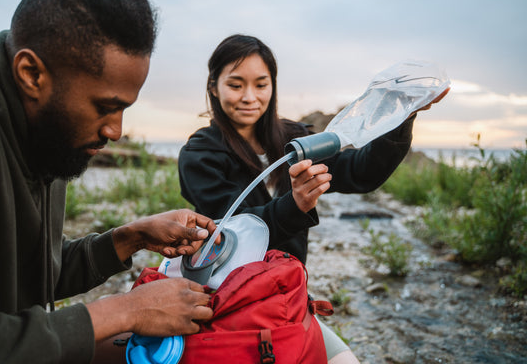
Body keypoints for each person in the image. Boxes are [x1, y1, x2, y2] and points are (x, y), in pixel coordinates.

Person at [0, 0, 218, 363]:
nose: (116, 130)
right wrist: (125, 309)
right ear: (31, 74)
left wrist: (129, 237)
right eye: (105, 107)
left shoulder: (44, 129)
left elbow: (26, 275)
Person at [178, 34, 448, 364]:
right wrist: (295, 204)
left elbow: (362, 172)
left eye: (261, 84)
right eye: (236, 85)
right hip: (224, 304)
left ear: (272, 86)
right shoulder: (200, 155)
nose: (250, 97)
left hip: (284, 298)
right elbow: (236, 231)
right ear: (213, 86)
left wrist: (400, 116)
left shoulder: (296, 140)